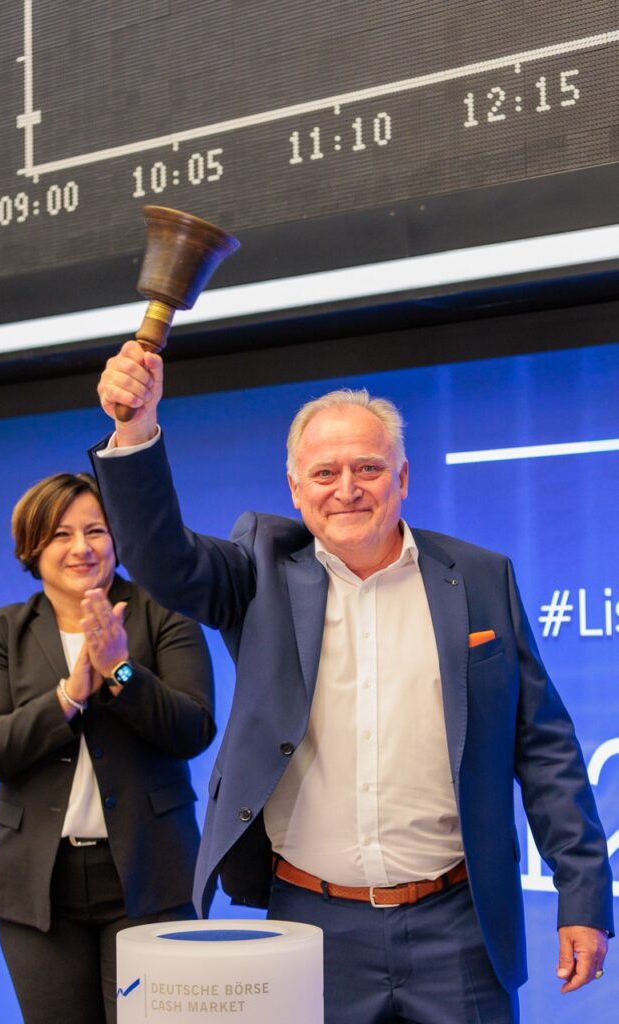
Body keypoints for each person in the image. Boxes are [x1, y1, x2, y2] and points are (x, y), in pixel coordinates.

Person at [90, 341, 613, 1024]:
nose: (347, 489)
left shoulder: (481, 579)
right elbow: (162, 556)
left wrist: (583, 897)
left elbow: (544, 748)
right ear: (295, 490)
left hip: (458, 923)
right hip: (313, 926)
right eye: (325, 472)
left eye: (368, 468)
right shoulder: (259, 573)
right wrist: (135, 429)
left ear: (402, 479)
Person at [0, 471, 215, 1024]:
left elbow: (193, 729)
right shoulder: (2, 630)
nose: (82, 548)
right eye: (61, 534)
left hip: (151, 872)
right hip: (38, 887)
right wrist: (71, 694)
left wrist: (121, 671)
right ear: (32, 548)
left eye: (96, 530)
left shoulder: (163, 611)